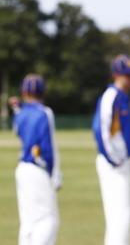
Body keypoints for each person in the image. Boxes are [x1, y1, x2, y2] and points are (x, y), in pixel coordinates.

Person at [92, 55, 130, 245]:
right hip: (113, 163)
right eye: (128, 75)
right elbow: (100, 129)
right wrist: (115, 160)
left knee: (121, 216)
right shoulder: (111, 96)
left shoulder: (123, 97)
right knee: (120, 217)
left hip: (120, 161)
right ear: (116, 75)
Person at [14, 74, 61, 245]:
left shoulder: (20, 114)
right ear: (43, 92)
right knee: (49, 220)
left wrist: (17, 109)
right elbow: (50, 146)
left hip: (22, 168)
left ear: (24, 92)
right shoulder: (45, 112)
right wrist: (55, 176)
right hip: (38, 168)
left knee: (28, 222)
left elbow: (19, 131)